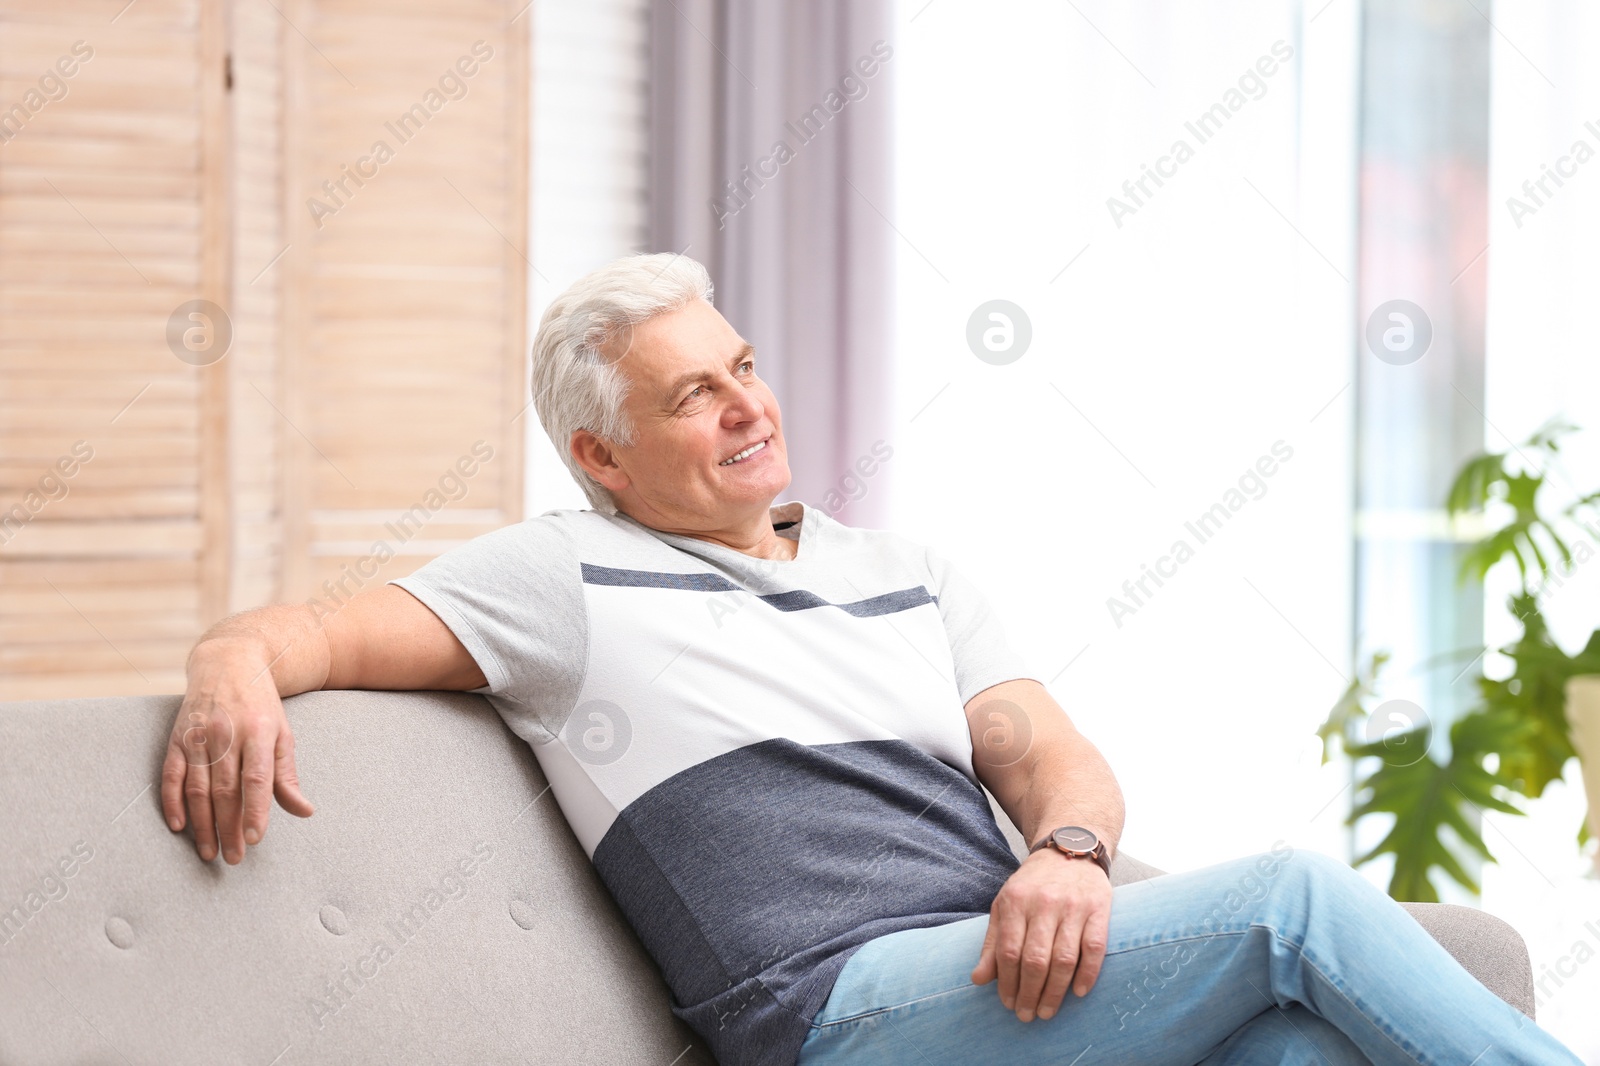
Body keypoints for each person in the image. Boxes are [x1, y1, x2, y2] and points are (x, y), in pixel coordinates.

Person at [161, 253, 1584, 1066]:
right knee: (1291, 899)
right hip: (840, 1017)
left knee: (1298, 1059)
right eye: (692, 395)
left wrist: (1070, 850)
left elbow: (1051, 754)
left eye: (746, 367)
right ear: (603, 452)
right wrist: (231, 658)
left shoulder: (906, 571)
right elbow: (320, 630)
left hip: (1012, 978)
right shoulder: (558, 578)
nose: (745, 407)